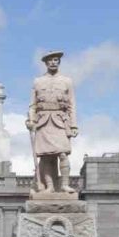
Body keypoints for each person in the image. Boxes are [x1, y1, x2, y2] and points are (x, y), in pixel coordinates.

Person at [26, 50, 78, 193]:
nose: (53, 62)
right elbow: (32, 105)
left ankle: (64, 185)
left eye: (56, 60)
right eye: (50, 60)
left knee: (63, 153)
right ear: (46, 63)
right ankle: (49, 186)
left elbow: (72, 104)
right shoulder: (38, 81)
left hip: (60, 121)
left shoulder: (67, 81)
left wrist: (73, 125)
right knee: (46, 156)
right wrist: (30, 120)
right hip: (43, 121)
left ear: (59, 62)